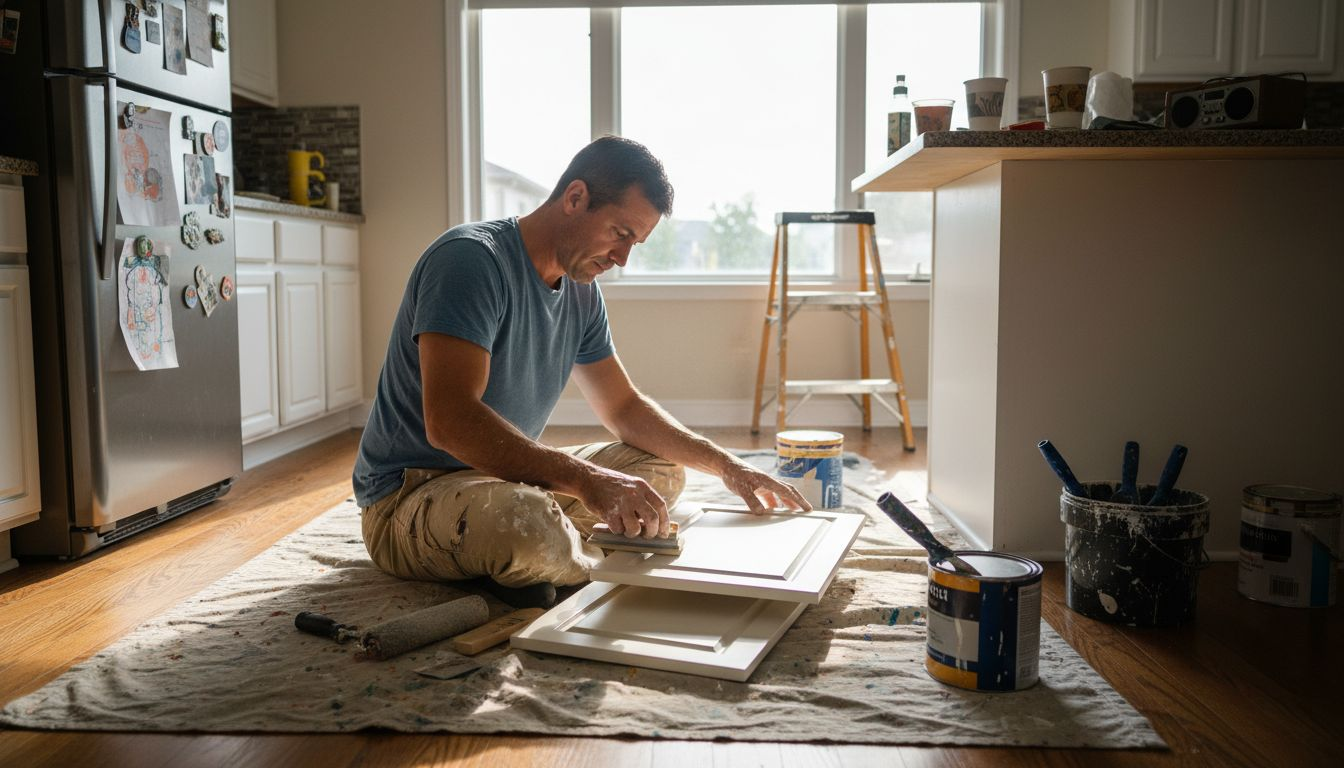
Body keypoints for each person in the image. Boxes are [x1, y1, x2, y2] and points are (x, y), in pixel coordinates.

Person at [353, 136, 809, 608]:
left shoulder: (581, 292)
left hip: (502, 481)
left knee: (659, 473)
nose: (622, 258)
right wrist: (588, 481)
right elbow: (449, 421)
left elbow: (625, 408)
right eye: (620, 234)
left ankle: (541, 555)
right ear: (575, 198)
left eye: (635, 243)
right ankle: (545, 548)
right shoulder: (471, 261)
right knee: (528, 524)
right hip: (411, 494)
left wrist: (726, 466)